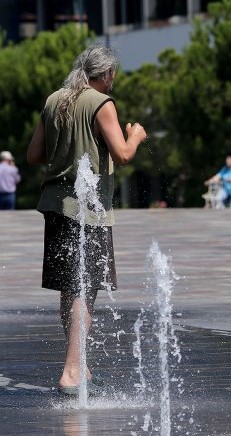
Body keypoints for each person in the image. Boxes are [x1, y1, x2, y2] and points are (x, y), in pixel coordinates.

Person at [26, 44, 148, 395]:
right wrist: (136, 135)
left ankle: (80, 366)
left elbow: (34, 155)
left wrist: (68, 144)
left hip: (55, 205)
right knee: (85, 288)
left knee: (70, 286)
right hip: (89, 210)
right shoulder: (101, 103)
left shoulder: (54, 99)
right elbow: (123, 154)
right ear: (106, 74)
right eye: (113, 76)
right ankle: (71, 371)